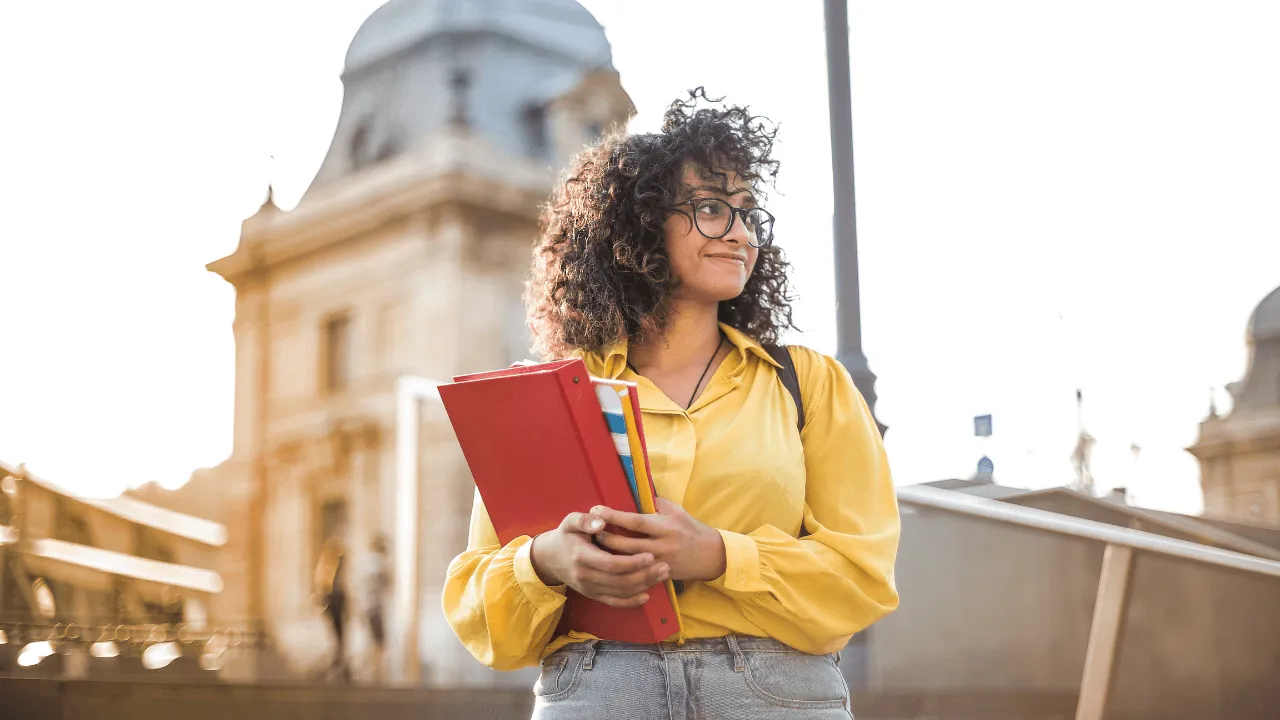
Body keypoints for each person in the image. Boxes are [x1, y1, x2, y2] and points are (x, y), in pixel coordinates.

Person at [443, 89, 900, 718]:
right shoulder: (552, 396)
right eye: (711, 208)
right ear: (641, 225)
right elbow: (480, 605)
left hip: (776, 694)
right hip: (598, 689)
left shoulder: (809, 384)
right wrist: (547, 561)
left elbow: (864, 576)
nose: (740, 234)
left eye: (748, 213)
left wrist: (716, 555)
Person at [314, 536, 350, 682]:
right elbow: (324, 585)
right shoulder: (329, 565)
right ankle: (337, 663)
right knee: (337, 636)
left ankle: (339, 663)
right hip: (333, 602)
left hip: (335, 602)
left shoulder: (330, 565)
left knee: (339, 636)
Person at [364, 534, 390, 681]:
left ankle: (375, 671)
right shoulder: (378, 564)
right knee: (378, 642)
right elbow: (385, 582)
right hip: (375, 607)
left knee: (374, 640)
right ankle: (376, 672)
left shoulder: (367, 562)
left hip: (369, 607)